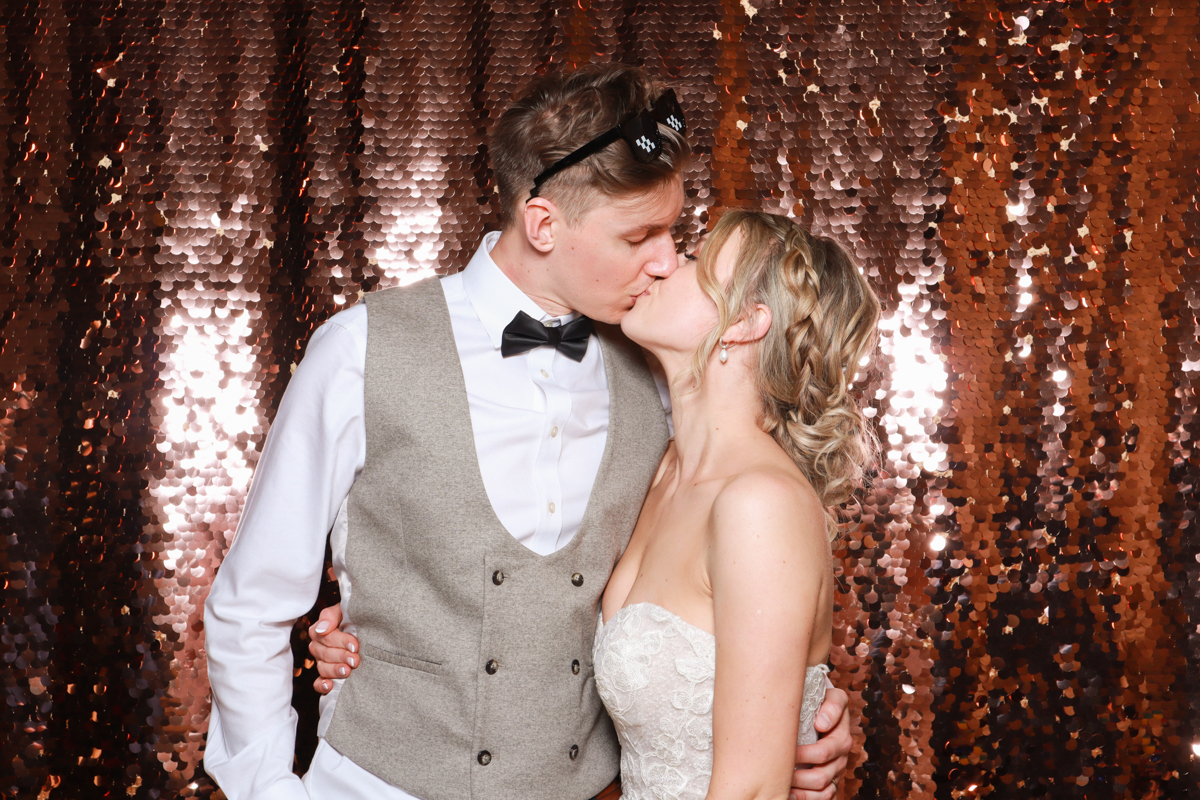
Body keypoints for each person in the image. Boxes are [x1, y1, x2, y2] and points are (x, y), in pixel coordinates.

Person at [204, 62, 852, 800]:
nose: (668, 258)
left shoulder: (669, 377)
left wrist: (808, 711)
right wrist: (267, 789)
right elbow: (250, 605)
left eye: (675, 232)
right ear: (543, 224)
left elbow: (738, 598)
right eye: (640, 234)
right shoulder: (359, 350)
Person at [313, 210, 877, 800]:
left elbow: (754, 788)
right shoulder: (662, 467)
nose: (664, 265)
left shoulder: (759, 503)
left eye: (695, 261)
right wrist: (368, 623)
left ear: (744, 323)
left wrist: (808, 720)